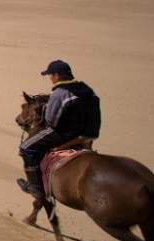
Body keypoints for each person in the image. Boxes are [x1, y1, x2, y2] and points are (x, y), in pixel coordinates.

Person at [18, 59, 102, 200]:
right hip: (90, 134)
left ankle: (36, 189)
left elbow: (52, 121)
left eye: (50, 75)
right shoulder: (87, 90)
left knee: (26, 147)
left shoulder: (60, 93)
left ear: (57, 75)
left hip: (67, 134)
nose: (50, 78)